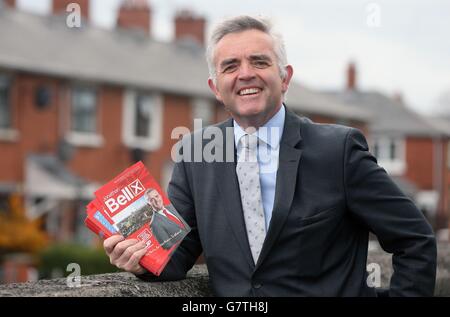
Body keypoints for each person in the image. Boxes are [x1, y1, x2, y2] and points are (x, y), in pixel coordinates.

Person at [104, 15, 437, 296]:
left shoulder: (338, 150)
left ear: (285, 77)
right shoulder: (196, 154)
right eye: (230, 66)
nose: (245, 73)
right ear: (216, 88)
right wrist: (139, 259)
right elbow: (177, 254)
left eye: (259, 62)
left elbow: (415, 240)